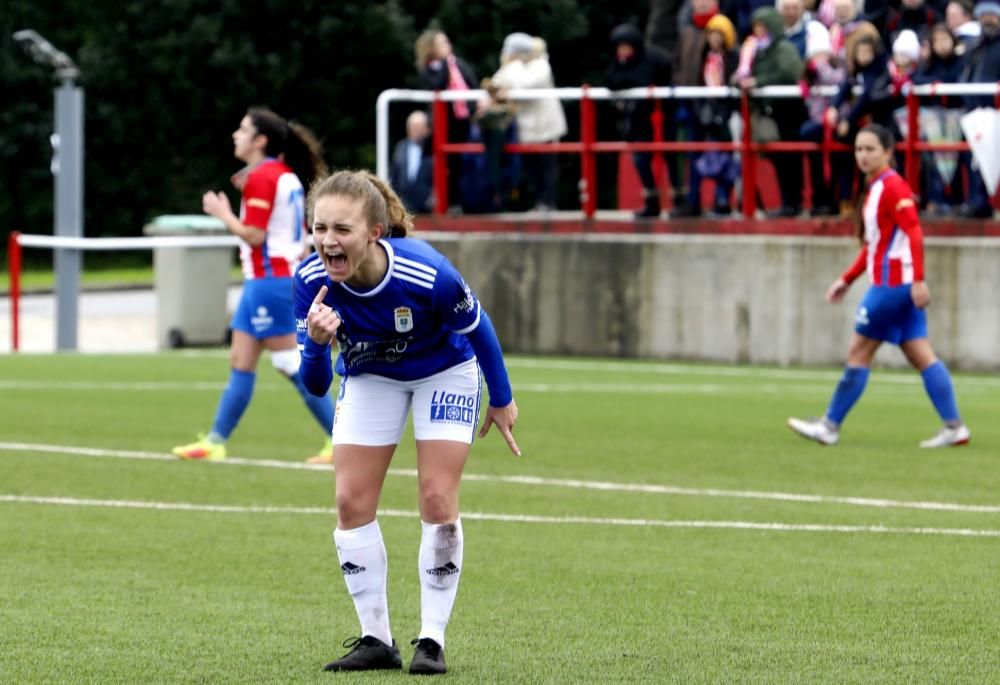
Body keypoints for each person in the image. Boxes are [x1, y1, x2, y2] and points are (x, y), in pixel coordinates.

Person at [295, 170, 521, 674]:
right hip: (371, 376)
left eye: (342, 229)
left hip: (444, 371)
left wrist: (501, 399)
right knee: (350, 501)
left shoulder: (427, 272)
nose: (328, 240)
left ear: (374, 231)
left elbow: (478, 329)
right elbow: (313, 384)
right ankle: (376, 638)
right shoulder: (311, 282)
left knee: (437, 497)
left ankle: (431, 640)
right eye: (319, 227)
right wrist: (314, 342)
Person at [788, 124, 971, 448]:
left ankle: (829, 425)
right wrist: (846, 279)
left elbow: (914, 232)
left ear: (888, 152)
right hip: (896, 285)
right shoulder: (876, 189)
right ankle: (954, 426)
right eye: (858, 149)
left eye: (870, 149)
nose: (863, 156)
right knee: (921, 355)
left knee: (859, 352)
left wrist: (917, 280)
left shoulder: (894, 188)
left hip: (891, 286)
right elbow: (874, 246)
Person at [172, 108, 335, 464]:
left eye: (243, 129)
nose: (235, 134)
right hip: (267, 281)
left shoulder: (263, 178)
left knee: (290, 361)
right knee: (241, 360)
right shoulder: (285, 176)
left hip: (270, 282)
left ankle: (341, 439)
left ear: (260, 140)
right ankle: (215, 441)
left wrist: (223, 214)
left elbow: (256, 235)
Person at [490, 33, 568, 211]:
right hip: (527, 127)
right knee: (533, 167)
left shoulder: (541, 65)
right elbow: (495, 83)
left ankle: (549, 202)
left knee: (548, 165)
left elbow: (524, 84)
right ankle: (539, 201)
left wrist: (512, 69)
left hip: (546, 125)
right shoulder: (512, 68)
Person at [606, 22, 674, 219]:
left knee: (671, 156)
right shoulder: (618, 62)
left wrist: (626, 79)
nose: (623, 51)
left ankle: (679, 199)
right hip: (638, 122)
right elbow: (611, 81)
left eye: (626, 46)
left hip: (661, 118)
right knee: (640, 160)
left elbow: (642, 80)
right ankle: (651, 200)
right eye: (619, 47)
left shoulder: (653, 59)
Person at [390, 110, 434, 214]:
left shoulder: (432, 149)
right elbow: (394, 175)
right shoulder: (401, 147)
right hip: (403, 205)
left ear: (427, 129)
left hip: (427, 208)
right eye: (412, 126)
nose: (415, 129)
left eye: (419, 126)